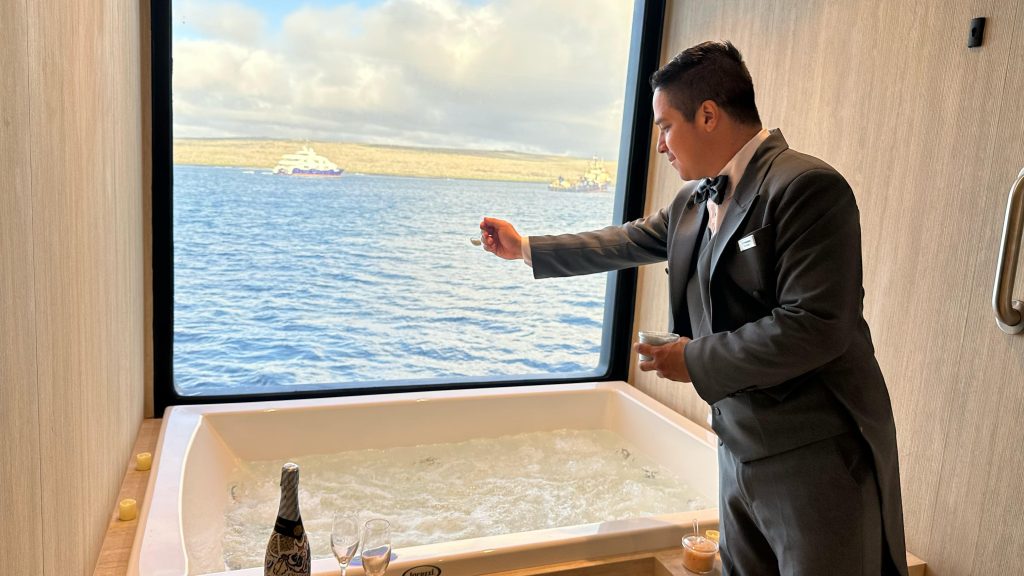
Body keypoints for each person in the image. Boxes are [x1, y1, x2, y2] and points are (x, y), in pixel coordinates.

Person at [479, 41, 907, 575]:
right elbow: (625, 241)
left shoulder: (806, 187)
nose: (659, 145)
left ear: (708, 115)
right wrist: (526, 248)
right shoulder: (691, 202)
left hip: (817, 455)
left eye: (664, 126)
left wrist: (694, 359)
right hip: (736, 448)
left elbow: (816, 326)